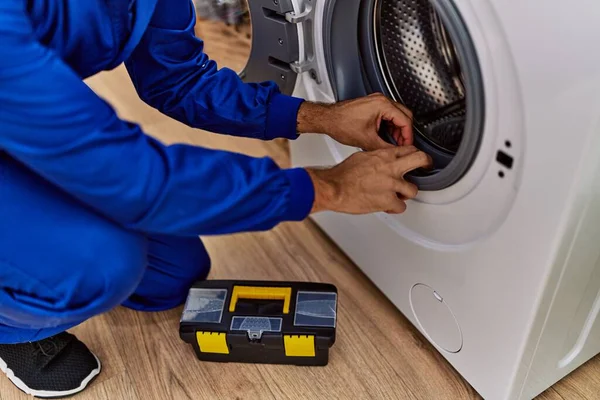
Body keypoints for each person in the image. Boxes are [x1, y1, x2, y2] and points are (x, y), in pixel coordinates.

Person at [0, 0, 432, 397]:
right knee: (103, 264)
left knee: (172, 273)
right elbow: (140, 182)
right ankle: (9, 328)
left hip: (20, 115)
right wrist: (329, 187)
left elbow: (180, 79)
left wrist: (322, 117)